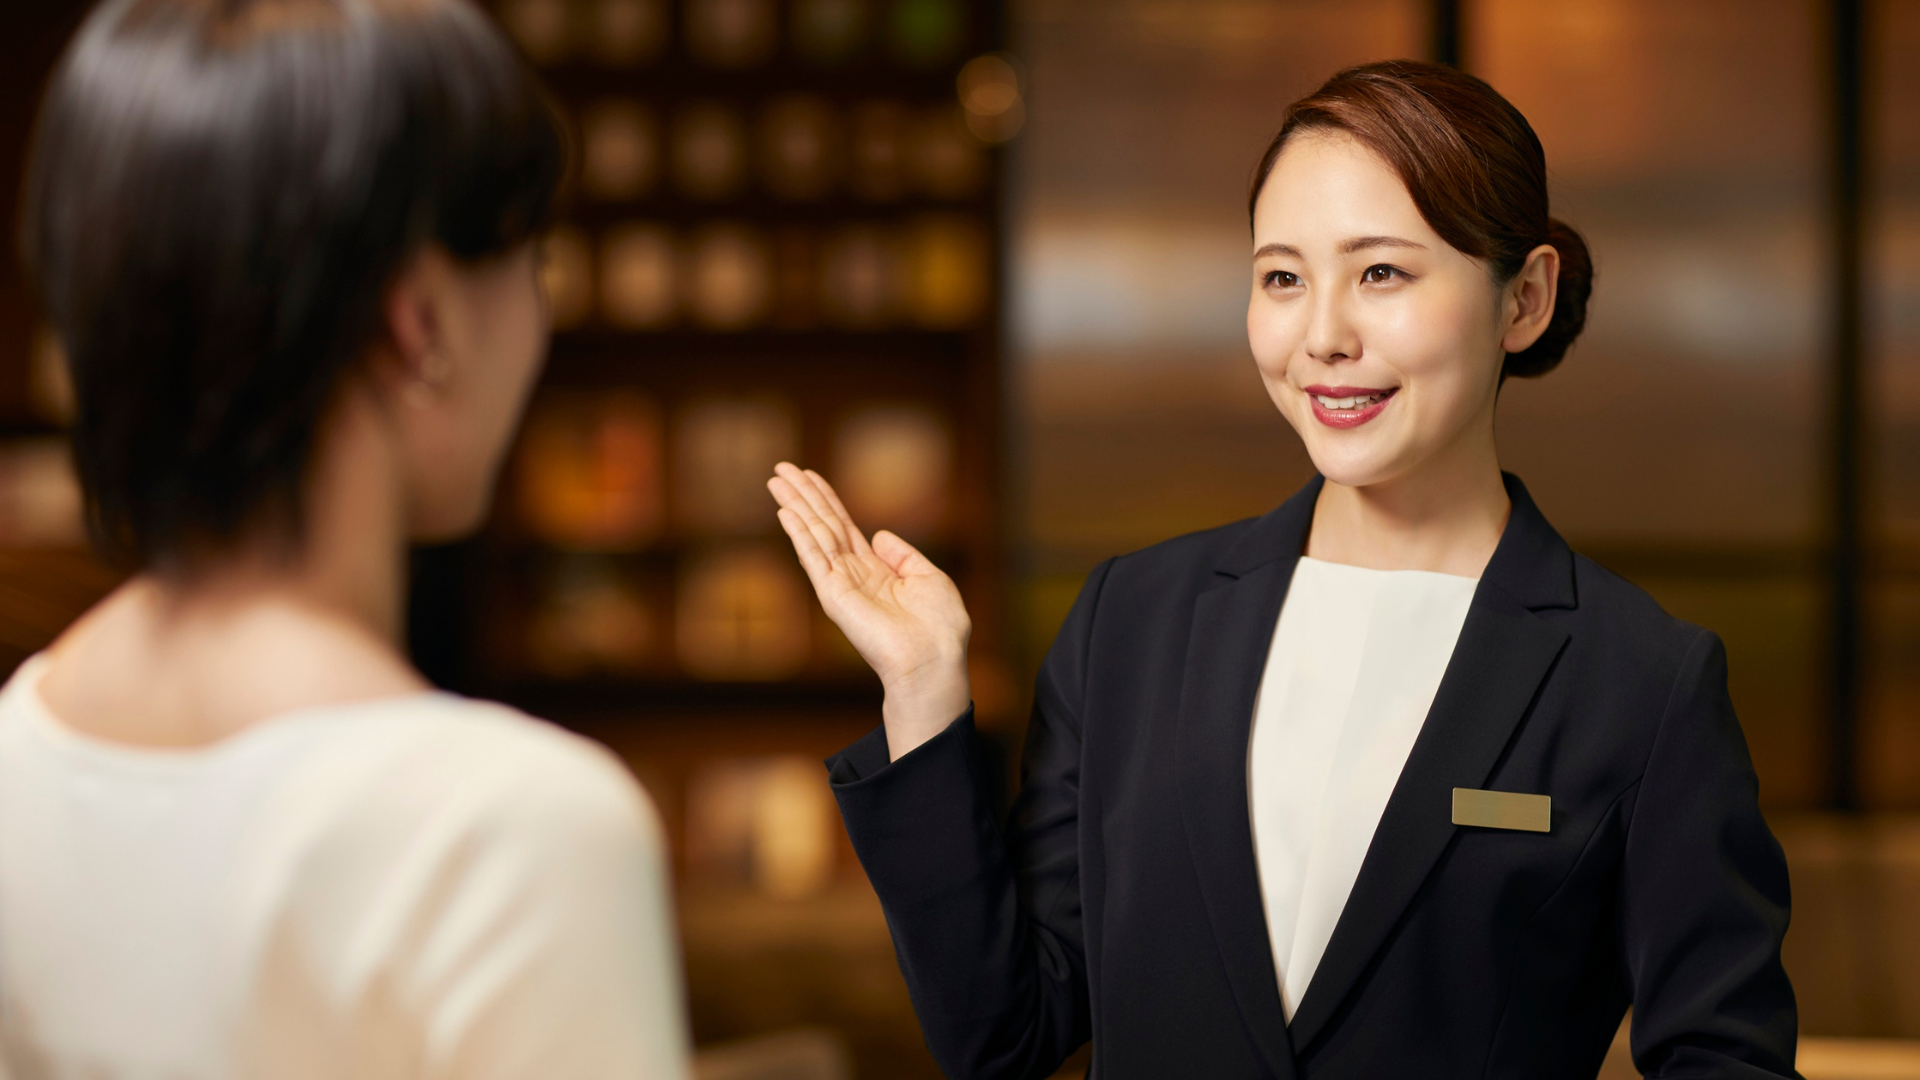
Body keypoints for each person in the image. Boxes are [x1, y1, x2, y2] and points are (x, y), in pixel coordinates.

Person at [768, 61, 1797, 1079]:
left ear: (1522, 298)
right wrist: (921, 689)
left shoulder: (1642, 684)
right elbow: (1004, 1033)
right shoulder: (1133, 620)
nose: (1323, 337)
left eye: (1382, 273)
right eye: (1282, 278)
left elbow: (1725, 1058)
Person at [0, 0, 690, 1076]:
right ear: (420, 326)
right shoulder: (510, 836)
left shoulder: (20, 749)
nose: (538, 316)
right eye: (532, 260)